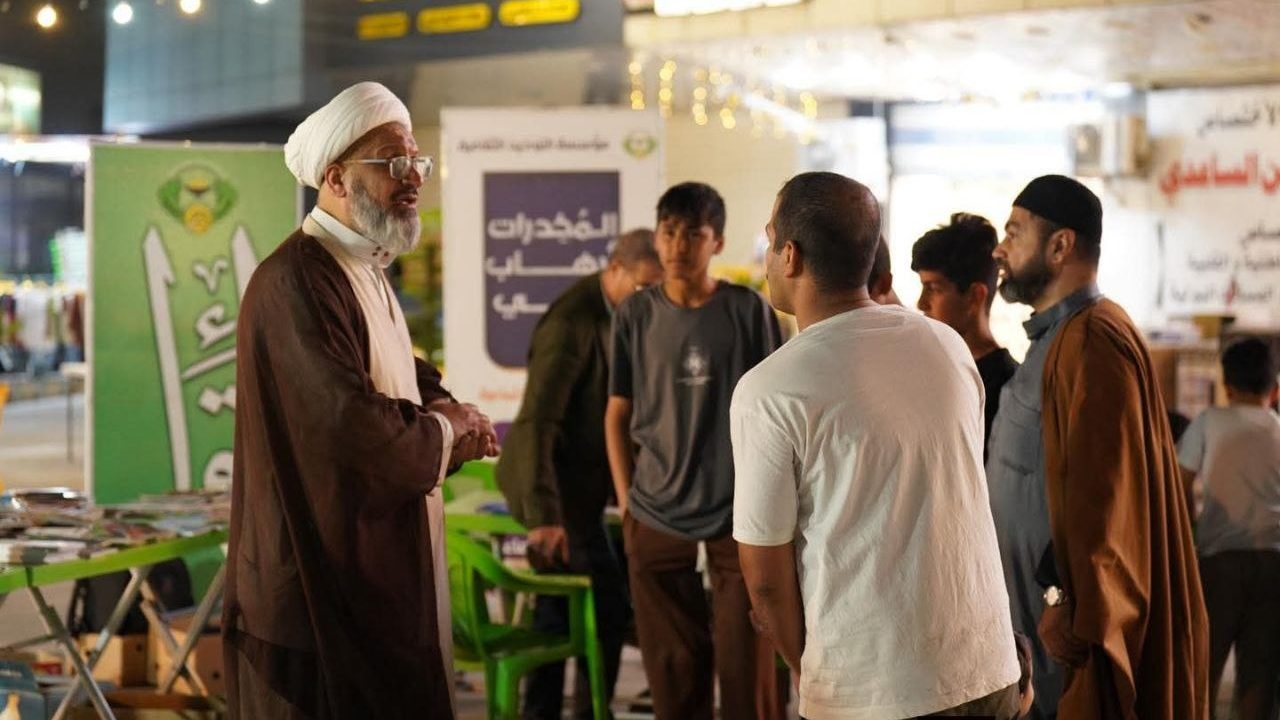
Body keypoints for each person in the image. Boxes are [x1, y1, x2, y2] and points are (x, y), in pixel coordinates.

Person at [225, 82, 497, 719]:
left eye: (415, 162)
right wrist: (447, 430)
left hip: (369, 578)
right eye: (393, 163)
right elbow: (347, 421)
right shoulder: (297, 279)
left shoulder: (362, 268)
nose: (413, 178)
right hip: (316, 595)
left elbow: (402, 375)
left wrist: (455, 415)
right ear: (336, 178)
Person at [732, 171, 1020, 720]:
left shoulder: (770, 389)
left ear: (790, 256)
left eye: (770, 240)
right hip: (985, 670)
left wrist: (812, 672)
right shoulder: (947, 347)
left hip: (873, 692)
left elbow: (765, 582)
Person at [987, 174, 1208, 719]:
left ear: (1060, 245)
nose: (1000, 249)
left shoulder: (1092, 339)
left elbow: (1104, 491)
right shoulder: (1061, 339)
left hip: (1066, 640)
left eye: (1014, 233)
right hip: (1033, 638)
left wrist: (1061, 594)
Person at [604, 181, 782, 720]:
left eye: (693, 234)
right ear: (657, 237)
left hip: (738, 511)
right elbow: (618, 412)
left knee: (746, 662)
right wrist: (627, 503)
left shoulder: (748, 311)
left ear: (717, 242)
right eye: (669, 232)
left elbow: (775, 412)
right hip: (654, 508)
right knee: (672, 666)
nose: (678, 246)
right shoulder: (634, 315)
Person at [496, 229, 663, 720]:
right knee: (603, 604)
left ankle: (549, 711)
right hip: (554, 490)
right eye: (643, 287)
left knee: (560, 613)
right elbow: (538, 422)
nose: (650, 298)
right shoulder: (572, 322)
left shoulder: (619, 313)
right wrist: (544, 517)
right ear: (614, 270)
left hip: (577, 492)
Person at [1178, 337, 1280, 720]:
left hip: (1218, 564)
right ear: (1275, 390)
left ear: (1226, 386)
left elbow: (1179, 484)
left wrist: (1189, 535)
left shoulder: (1208, 422)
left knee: (1202, 673)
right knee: (1259, 677)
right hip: (1273, 564)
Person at [912, 212, 1018, 451]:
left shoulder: (1007, 389)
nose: (921, 303)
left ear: (974, 296)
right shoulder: (931, 370)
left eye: (933, 288)